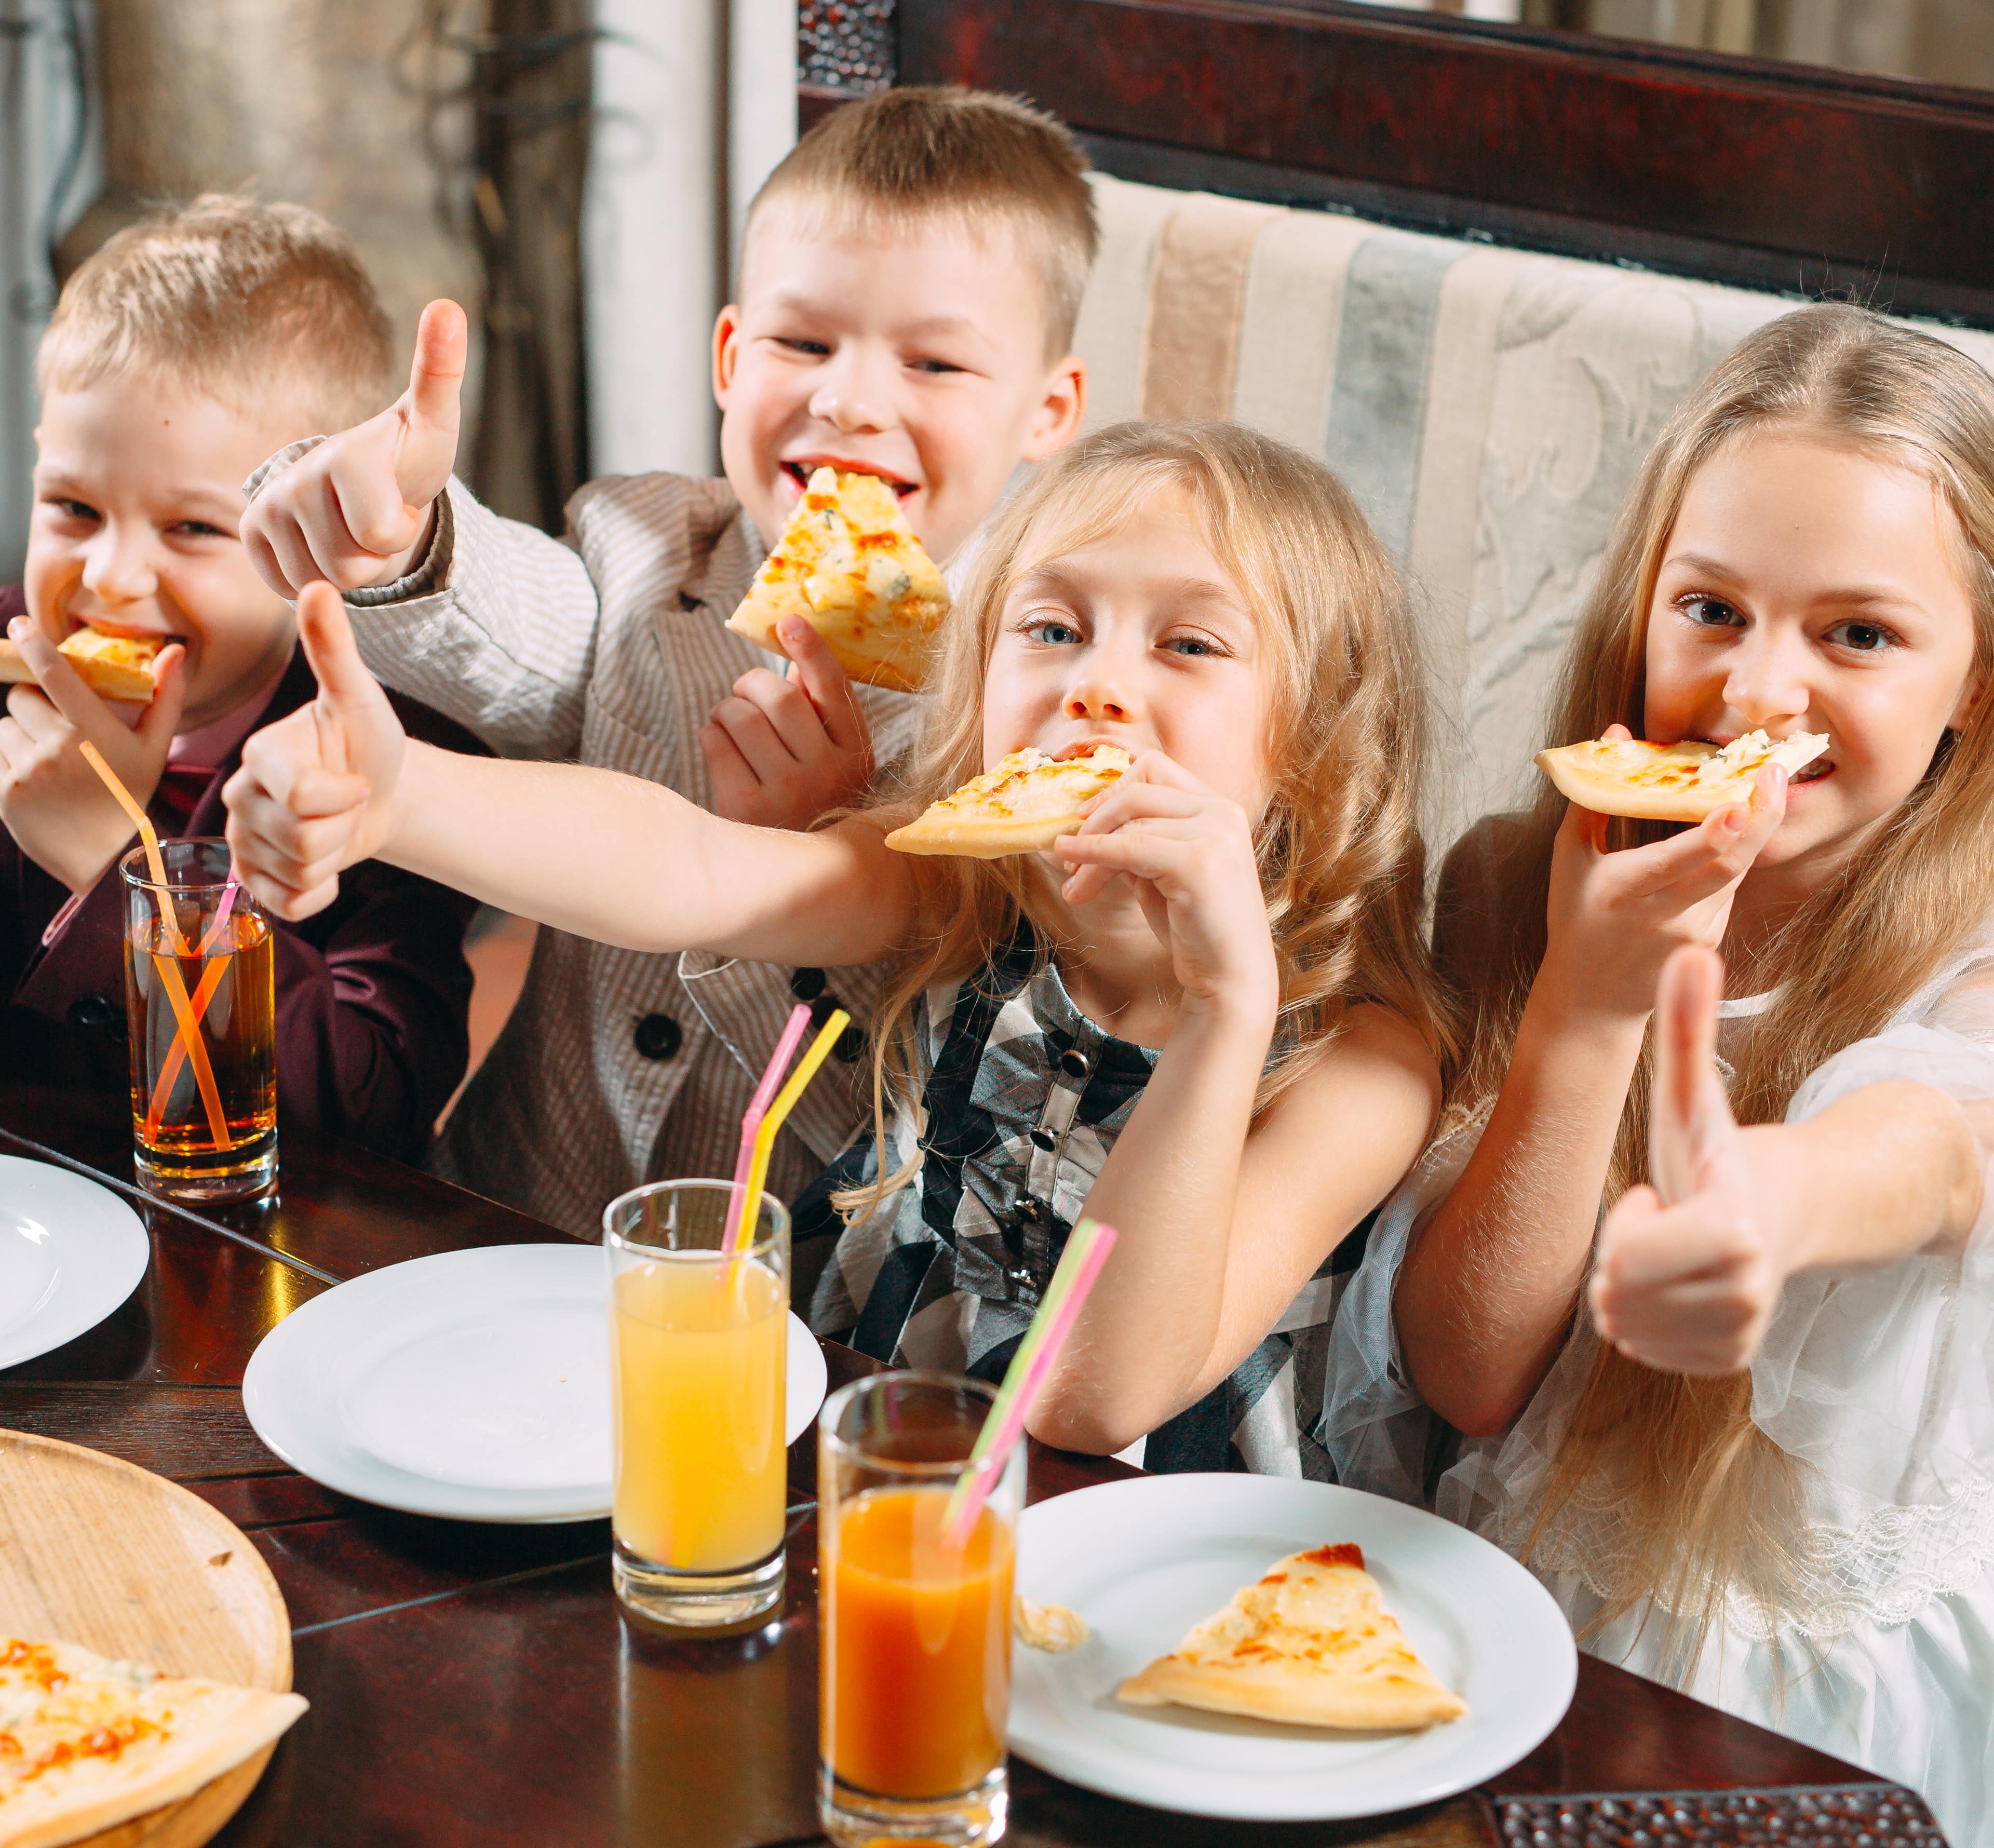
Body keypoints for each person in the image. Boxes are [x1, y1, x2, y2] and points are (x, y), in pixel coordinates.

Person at [224, 419, 1449, 1471]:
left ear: (1316, 748)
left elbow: (1094, 1394)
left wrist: (1229, 1003)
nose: (1099, 688)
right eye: (1052, 629)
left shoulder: (1358, 1062)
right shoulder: (960, 891)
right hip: (862, 1453)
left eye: (1189, 644)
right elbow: (693, 870)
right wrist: (405, 798)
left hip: (1155, 1563)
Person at [1328, 304, 1994, 1843]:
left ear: (1974, 681)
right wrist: (1589, 1003)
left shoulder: (1973, 963)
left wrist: (1762, 1206)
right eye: (1713, 610)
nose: (1761, 694)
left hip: (1819, 1727)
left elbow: (1937, 1143)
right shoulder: (1513, 882)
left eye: (1860, 634)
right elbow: (1469, 1375)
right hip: (1514, 1646)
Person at [235, 87, 1096, 1234]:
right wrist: (394, 533)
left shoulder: (1032, 698)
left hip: (788, 1306)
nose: (848, 399)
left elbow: (947, 1105)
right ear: (732, 357)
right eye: (803, 342)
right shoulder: (647, 543)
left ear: (1049, 412)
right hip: (505, 1207)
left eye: (935, 365)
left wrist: (815, 854)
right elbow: (516, 632)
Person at [1, 196, 480, 1163]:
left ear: (309, 542)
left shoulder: (390, 754)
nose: (111, 579)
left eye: (192, 528)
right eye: (73, 507)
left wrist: (120, 873)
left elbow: (370, 1105)